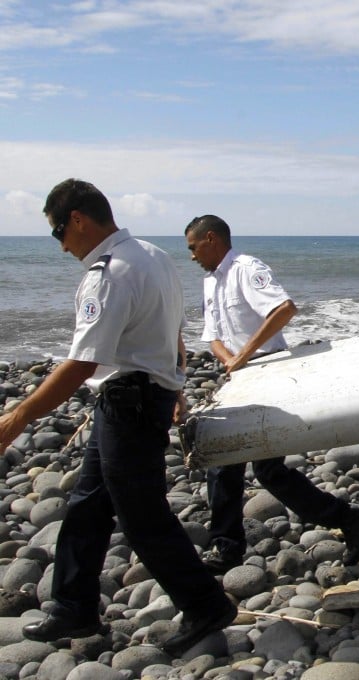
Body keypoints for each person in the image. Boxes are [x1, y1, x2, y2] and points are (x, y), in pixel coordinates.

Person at [0, 179, 235, 655]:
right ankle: (74, 606)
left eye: (58, 233)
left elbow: (83, 362)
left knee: (142, 516)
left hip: (130, 404)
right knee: (88, 504)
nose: (61, 246)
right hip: (137, 398)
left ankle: (205, 604)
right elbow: (171, 333)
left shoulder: (108, 273)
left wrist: (19, 416)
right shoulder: (153, 256)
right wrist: (174, 384)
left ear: (78, 220)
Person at [184, 215, 359, 572]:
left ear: (211, 238)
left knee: (253, 466)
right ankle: (346, 520)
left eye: (194, 247)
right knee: (242, 466)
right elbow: (212, 335)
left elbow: (284, 309)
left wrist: (243, 356)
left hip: (268, 371)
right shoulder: (210, 281)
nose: (192, 256)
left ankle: (230, 548)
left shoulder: (246, 269)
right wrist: (230, 361)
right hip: (239, 376)